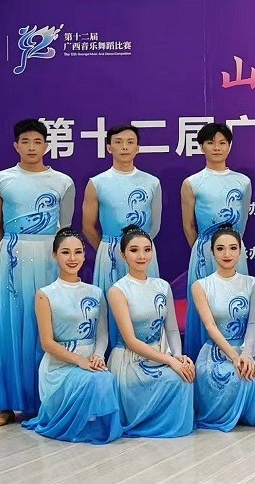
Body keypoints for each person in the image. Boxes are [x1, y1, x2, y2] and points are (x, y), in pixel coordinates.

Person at [0, 118, 75, 427]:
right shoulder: (0, 180)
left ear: (47, 145)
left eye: (38, 142)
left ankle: (46, 401)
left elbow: (65, 230)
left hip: (51, 258)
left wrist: (53, 255)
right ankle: (6, 404)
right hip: (12, 258)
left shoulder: (63, 182)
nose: (32, 147)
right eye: (25, 141)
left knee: (47, 327)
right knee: (10, 326)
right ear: (16, 145)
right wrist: (16, 251)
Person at [22, 228, 121, 444]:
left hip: (91, 362)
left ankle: (97, 426)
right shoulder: (45, 294)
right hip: (59, 367)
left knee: (105, 378)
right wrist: (80, 361)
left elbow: (102, 334)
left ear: (84, 256)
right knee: (94, 380)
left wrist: (98, 356)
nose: (72, 258)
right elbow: (47, 343)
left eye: (78, 252)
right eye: (65, 252)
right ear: (55, 255)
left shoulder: (95, 292)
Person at [107, 225, 195, 438]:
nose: (141, 256)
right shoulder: (118, 290)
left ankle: (169, 428)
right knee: (174, 376)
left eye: (147, 250)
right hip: (129, 361)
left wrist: (178, 356)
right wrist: (170, 360)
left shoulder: (162, 286)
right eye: (134, 250)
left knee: (183, 377)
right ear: (123, 254)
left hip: (160, 356)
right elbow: (130, 341)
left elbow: (172, 329)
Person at [82, 124, 162, 353]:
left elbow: (155, 226)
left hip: (143, 254)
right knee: (109, 310)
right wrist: (109, 249)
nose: (124, 147)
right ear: (109, 147)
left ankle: (148, 356)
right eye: (118, 142)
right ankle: (108, 359)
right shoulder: (97, 182)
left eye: (130, 142)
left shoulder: (152, 182)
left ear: (138, 148)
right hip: (109, 253)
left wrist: (137, 250)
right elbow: (88, 226)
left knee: (146, 307)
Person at [180, 122, 252, 357]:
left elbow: (242, 221)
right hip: (203, 252)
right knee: (205, 307)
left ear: (229, 146)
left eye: (222, 143)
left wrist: (231, 247)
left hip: (234, 250)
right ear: (202, 147)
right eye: (211, 143)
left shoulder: (242, 181)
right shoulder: (192, 182)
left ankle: (239, 357)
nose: (217, 148)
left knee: (236, 303)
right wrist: (204, 250)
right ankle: (202, 359)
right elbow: (189, 225)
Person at [191, 224, 255, 431]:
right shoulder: (201, 286)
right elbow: (210, 326)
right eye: (220, 248)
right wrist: (234, 357)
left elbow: (253, 323)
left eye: (233, 248)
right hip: (215, 354)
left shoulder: (252, 283)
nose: (227, 254)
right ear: (212, 252)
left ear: (240, 250)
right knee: (233, 380)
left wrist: (245, 354)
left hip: (246, 352)